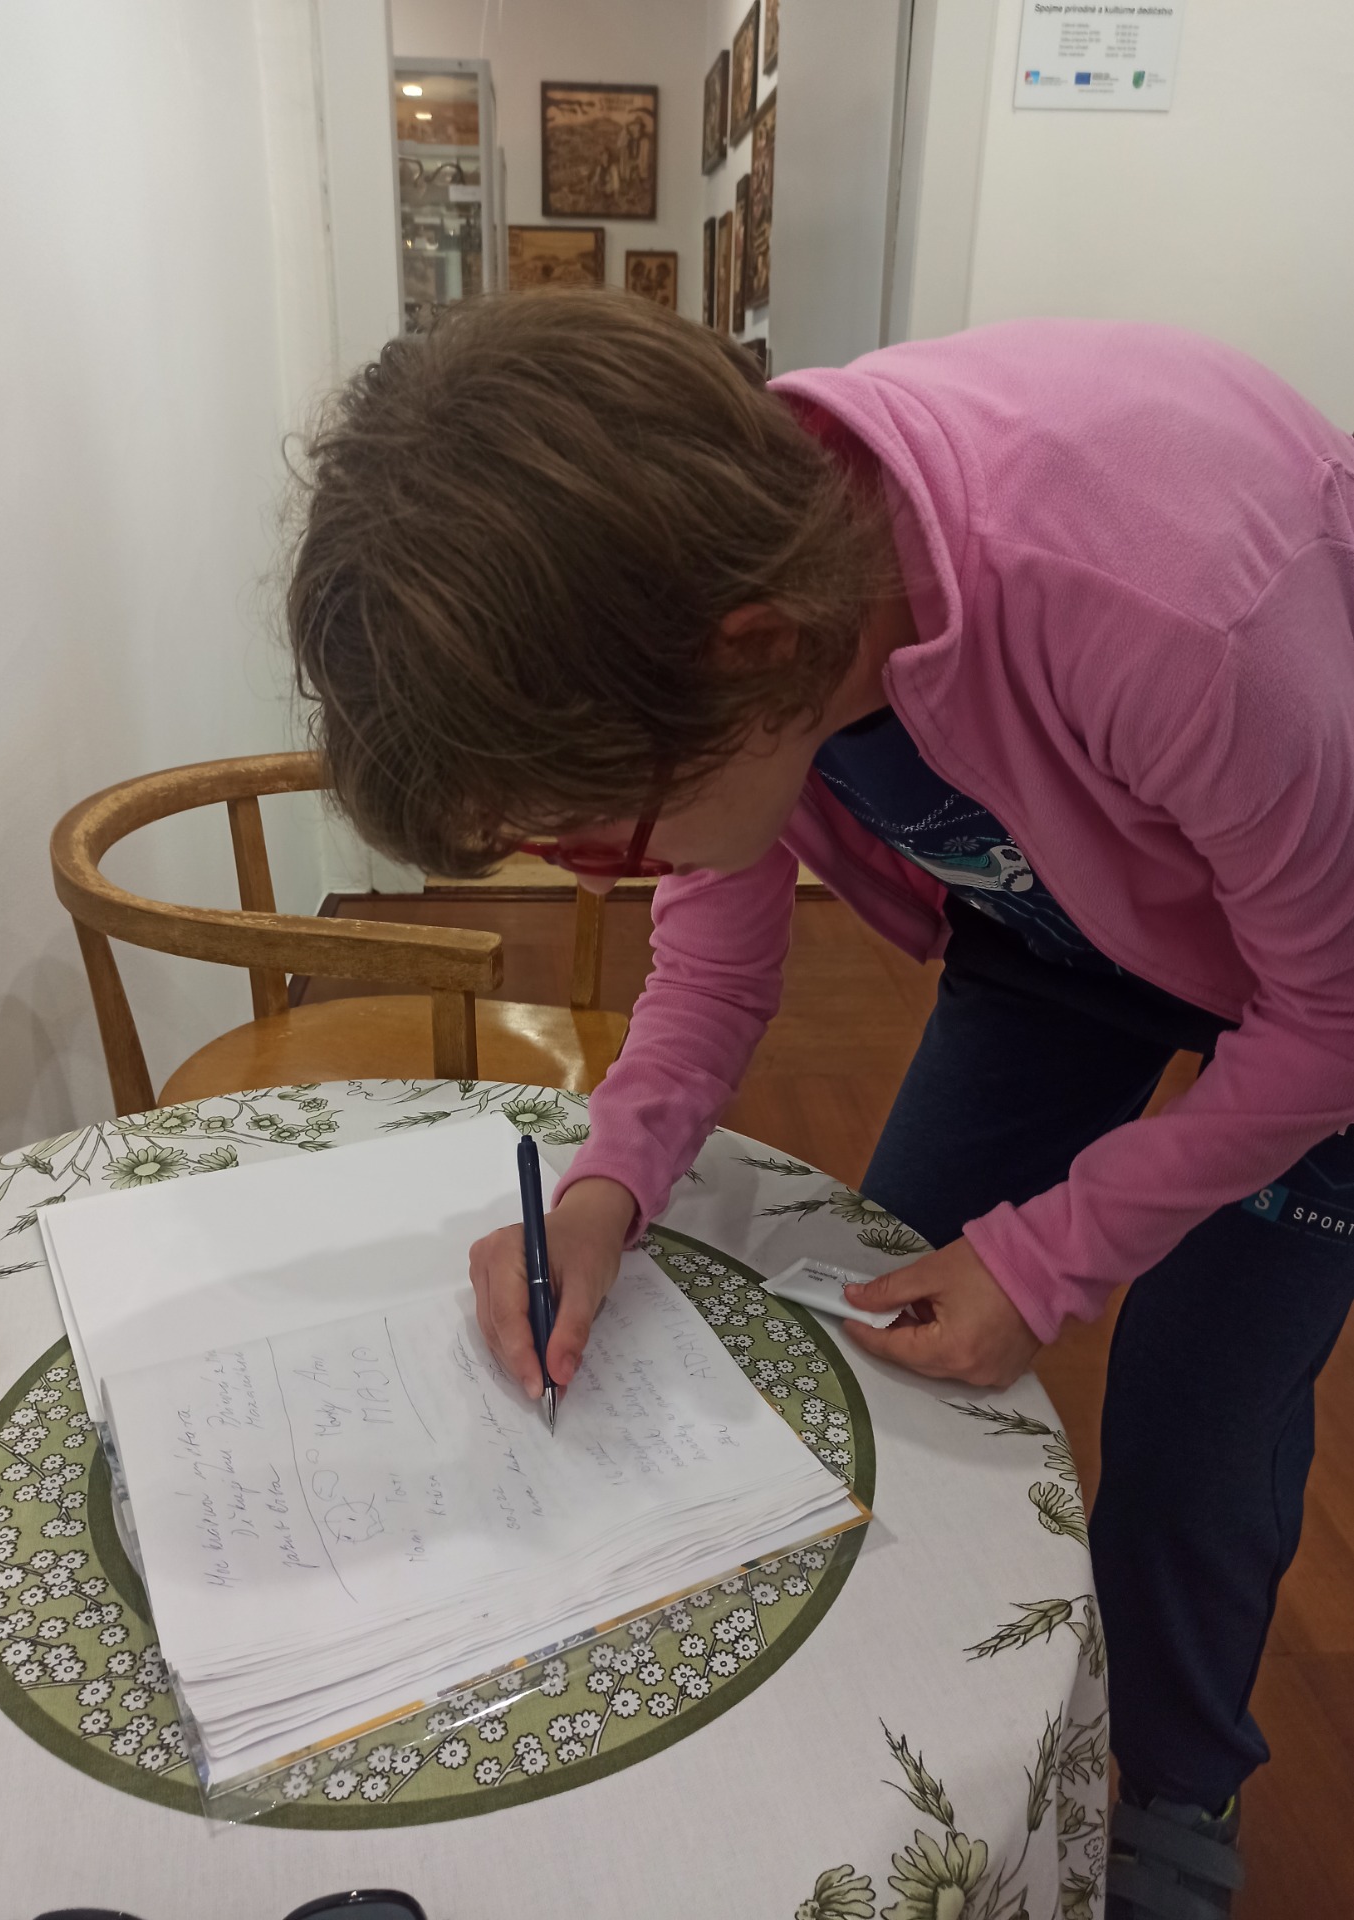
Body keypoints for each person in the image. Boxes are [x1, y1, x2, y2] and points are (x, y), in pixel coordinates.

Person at [285, 289, 1354, 1920]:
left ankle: (1175, 1797)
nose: (596, 880)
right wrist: (604, 1186)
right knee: (881, 1308)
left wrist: (1047, 1259)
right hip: (1061, 924)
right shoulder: (723, 579)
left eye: (594, 837)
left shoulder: (1169, 610)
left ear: (756, 653)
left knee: (1193, 1429)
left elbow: (1331, 1018)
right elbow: (713, 967)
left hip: (1325, 973)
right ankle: (915, 1716)